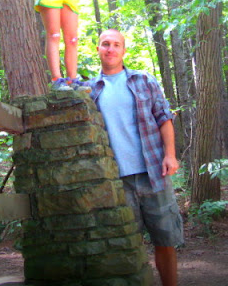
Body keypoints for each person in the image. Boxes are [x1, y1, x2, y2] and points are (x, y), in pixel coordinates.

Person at [86, 29, 183, 286]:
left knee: (165, 240)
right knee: (127, 244)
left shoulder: (144, 80)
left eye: (116, 44)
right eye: (105, 44)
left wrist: (170, 155)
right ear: (98, 49)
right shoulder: (90, 90)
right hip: (116, 180)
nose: (110, 49)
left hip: (153, 174)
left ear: (124, 50)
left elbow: (164, 118)